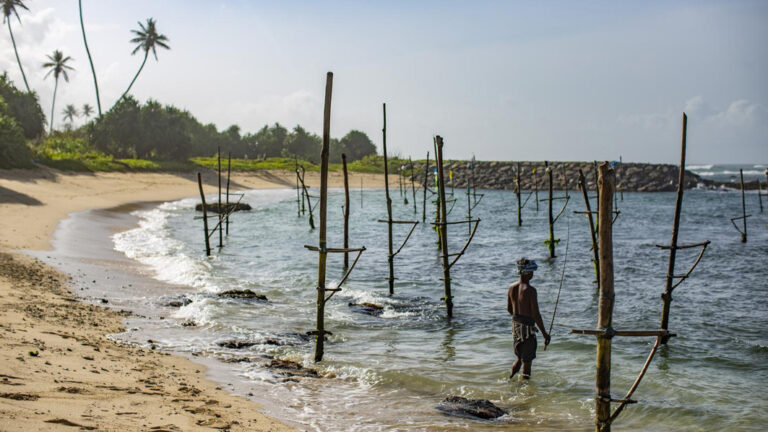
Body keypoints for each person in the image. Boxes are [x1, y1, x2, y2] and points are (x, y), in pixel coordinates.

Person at [507, 258, 550, 380]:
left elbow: (509, 309)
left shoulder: (511, 288)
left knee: (519, 357)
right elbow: (536, 314)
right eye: (532, 271)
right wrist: (545, 334)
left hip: (516, 327)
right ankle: (525, 390)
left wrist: (518, 320)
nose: (533, 274)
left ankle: (510, 379)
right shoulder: (531, 291)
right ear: (527, 273)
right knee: (527, 362)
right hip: (527, 329)